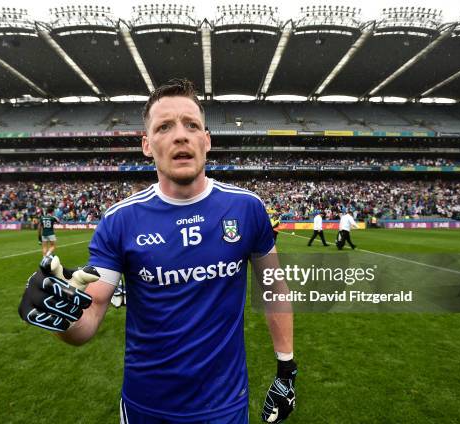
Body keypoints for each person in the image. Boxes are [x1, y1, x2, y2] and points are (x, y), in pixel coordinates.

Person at [19, 79, 297, 423]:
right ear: (147, 145)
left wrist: (287, 371)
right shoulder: (119, 221)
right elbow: (88, 321)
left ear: (206, 140)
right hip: (146, 408)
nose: (181, 135)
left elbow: (273, 290)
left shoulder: (246, 208)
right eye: (165, 126)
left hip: (225, 406)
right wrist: (63, 316)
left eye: (191, 125)